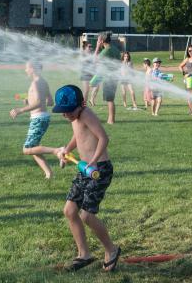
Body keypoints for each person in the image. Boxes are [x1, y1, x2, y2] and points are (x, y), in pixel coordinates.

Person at [53, 85, 120, 272]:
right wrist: (67, 149)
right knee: (69, 210)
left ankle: (112, 250)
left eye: (68, 111)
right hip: (85, 169)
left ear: (80, 105)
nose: (65, 115)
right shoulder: (74, 116)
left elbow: (103, 139)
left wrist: (93, 161)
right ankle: (84, 254)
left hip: (100, 170)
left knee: (87, 215)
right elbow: (78, 135)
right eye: (63, 112)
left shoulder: (85, 114)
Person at [9, 61, 57, 179]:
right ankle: (49, 173)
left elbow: (39, 102)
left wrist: (21, 110)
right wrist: (29, 100)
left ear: (32, 69)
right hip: (43, 117)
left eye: (26, 68)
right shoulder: (43, 82)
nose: (25, 70)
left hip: (38, 118)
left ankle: (57, 150)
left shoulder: (35, 83)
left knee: (27, 149)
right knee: (33, 148)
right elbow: (50, 102)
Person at [94, 32, 121, 124]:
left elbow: (94, 61)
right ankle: (111, 119)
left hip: (109, 78)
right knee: (111, 99)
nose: (97, 41)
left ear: (102, 40)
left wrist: (97, 47)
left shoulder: (105, 51)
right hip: (115, 76)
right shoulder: (115, 49)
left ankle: (111, 120)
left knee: (109, 100)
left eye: (98, 40)